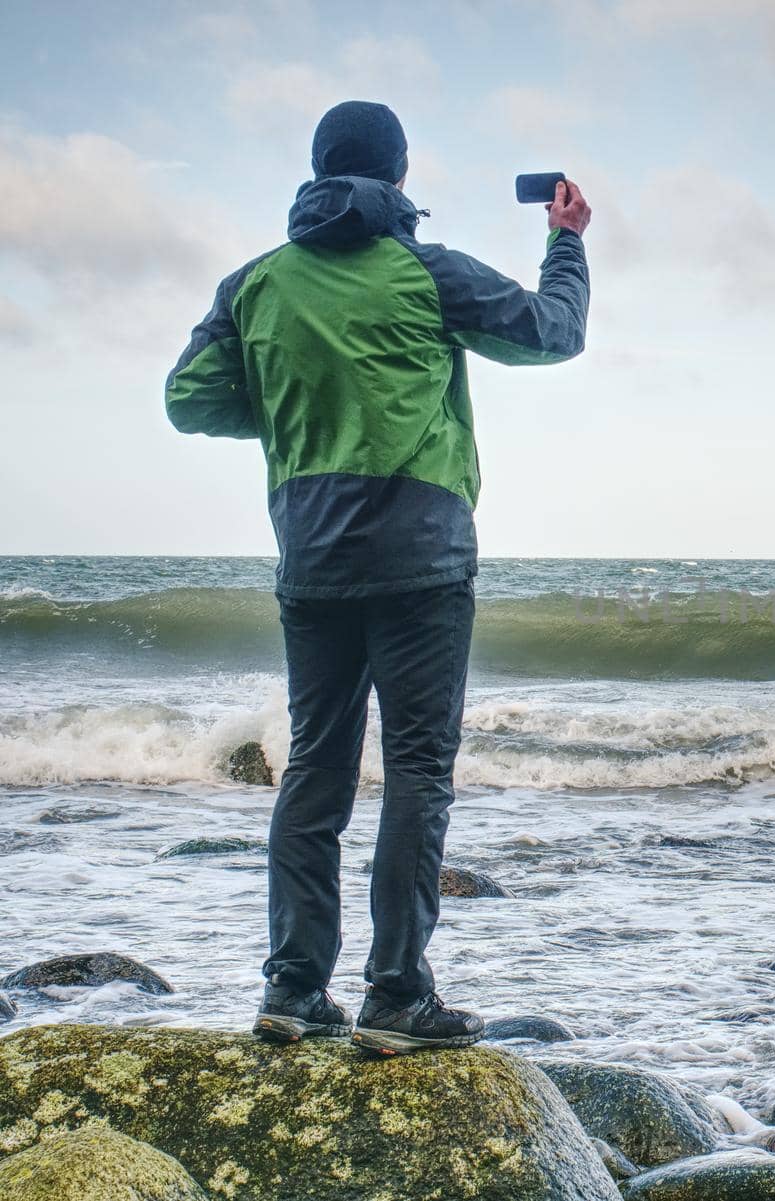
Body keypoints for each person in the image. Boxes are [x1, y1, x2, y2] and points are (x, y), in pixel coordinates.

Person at [164, 100, 591, 1054]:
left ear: (319, 170)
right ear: (399, 179)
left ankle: (292, 987)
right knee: (416, 773)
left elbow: (188, 400)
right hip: (423, 563)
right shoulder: (426, 270)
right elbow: (553, 332)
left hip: (311, 559)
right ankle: (396, 995)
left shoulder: (256, 284)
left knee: (313, 769)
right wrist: (565, 240)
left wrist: (294, 406)